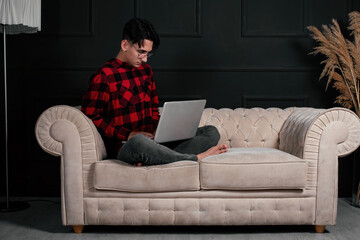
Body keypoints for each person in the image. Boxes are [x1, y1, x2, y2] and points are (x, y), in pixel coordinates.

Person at [81, 18, 227, 166]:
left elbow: (152, 108)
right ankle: (194, 158)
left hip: (156, 143)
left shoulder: (146, 71)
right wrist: (127, 135)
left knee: (211, 131)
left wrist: (162, 129)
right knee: (139, 142)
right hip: (128, 146)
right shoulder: (104, 76)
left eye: (148, 54)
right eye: (141, 52)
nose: (144, 59)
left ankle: (157, 158)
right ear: (125, 45)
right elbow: (92, 117)